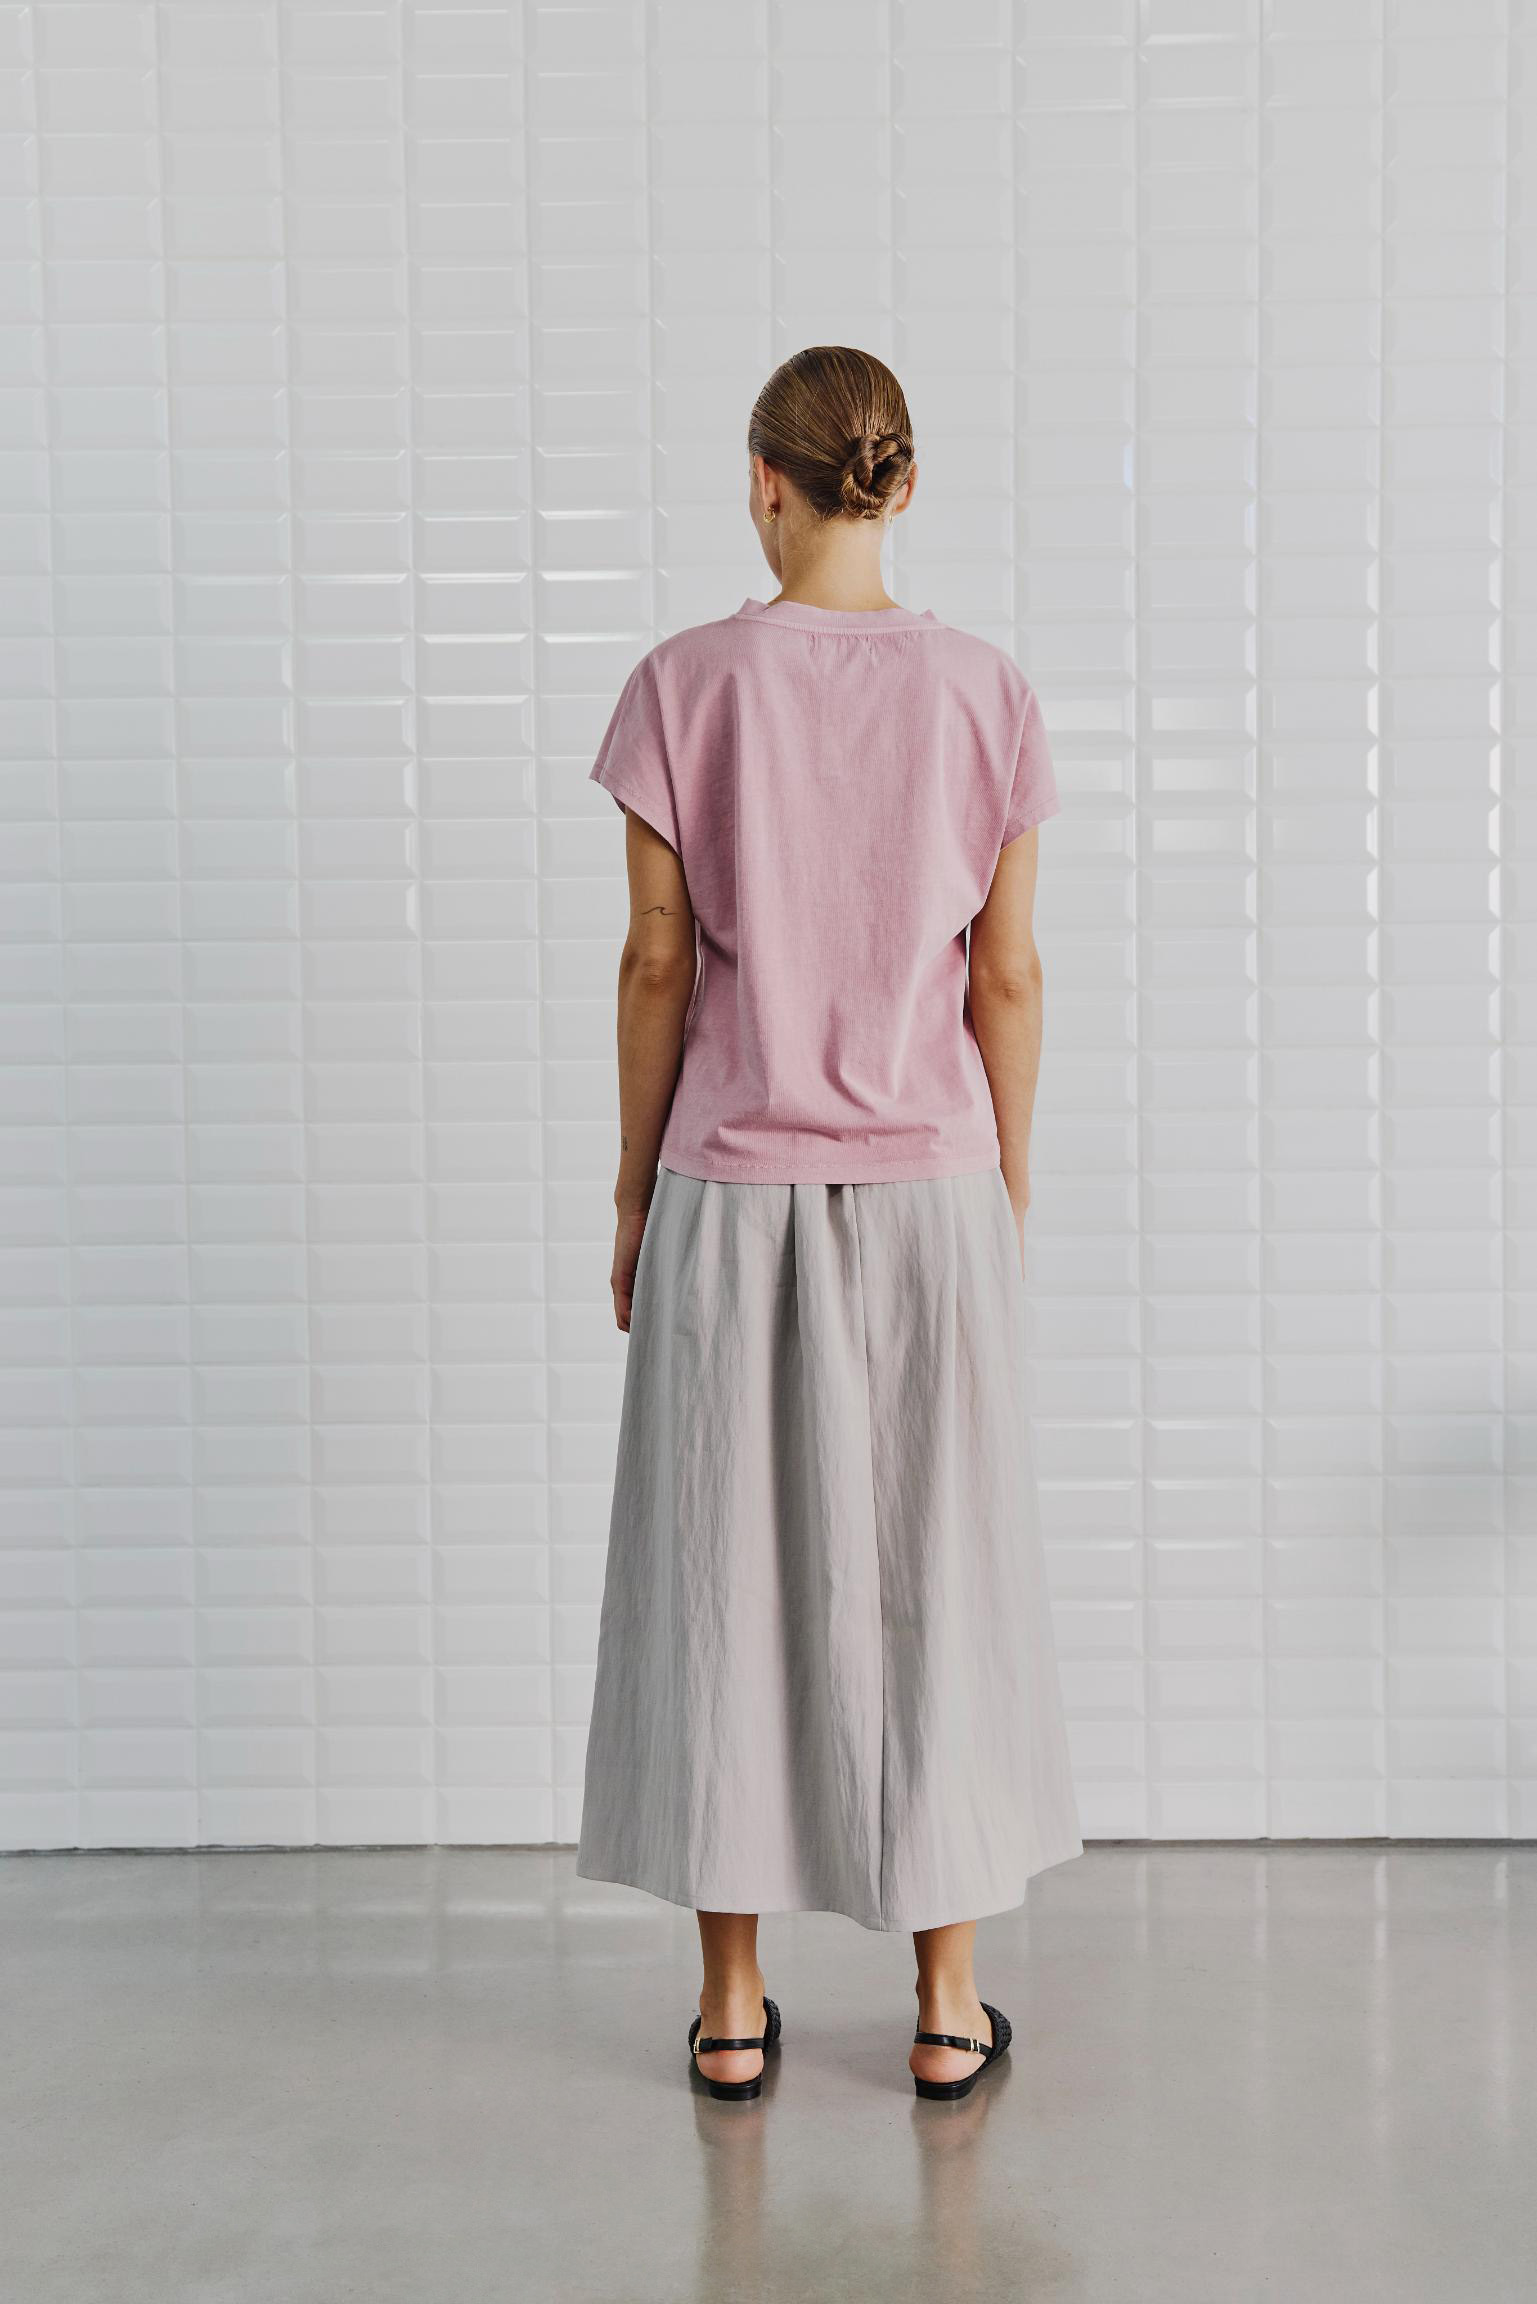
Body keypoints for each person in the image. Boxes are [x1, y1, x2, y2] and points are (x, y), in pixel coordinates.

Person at [576, 345, 1082, 2105]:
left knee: (719, 1579)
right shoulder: (986, 693)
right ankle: (945, 2007)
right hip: (931, 1188)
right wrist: (1005, 1178)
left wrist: (632, 1189)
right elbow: (1004, 975)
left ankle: (730, 2009)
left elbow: (655, 965)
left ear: (760, 481)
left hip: (729, 1188)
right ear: (903, 483)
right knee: (938, 1574)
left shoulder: (681, 685)